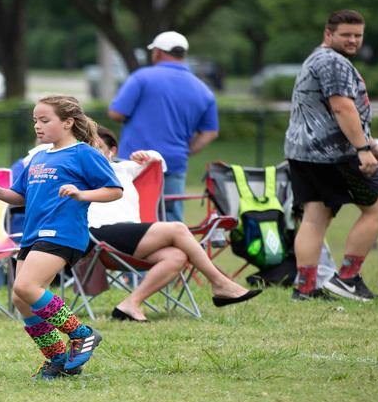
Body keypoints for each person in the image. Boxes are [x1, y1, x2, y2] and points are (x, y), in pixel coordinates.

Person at [0, 95, 122, 380]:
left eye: (45, 120)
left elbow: (114, 190)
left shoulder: (85, 153)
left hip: (63, 231)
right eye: (35, 121)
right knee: (22, 298)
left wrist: (82, 194)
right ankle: (58, 358)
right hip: (33, 234)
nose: (38, 126)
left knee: (27, 286)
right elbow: (21, 196)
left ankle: (82, 335)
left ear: (68, 122)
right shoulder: (38, 157)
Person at [90, 127, 262, 321]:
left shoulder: (123, 169)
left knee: (177, 256)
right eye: (87, 147)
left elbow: (159, 163)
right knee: (178, 228)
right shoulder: (79, 173)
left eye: (98, 147)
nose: (93, 152)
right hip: (98, 236)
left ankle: (130, 304)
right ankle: (219, 282)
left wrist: (147, 154)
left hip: (131, 237)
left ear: (112, 151)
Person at [285, 9, 378, 302]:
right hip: (332, 154)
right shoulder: (334, 62)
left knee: (315, 216)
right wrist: (364, 150)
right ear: (328, 34)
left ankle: (304, 288)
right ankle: (348, 279)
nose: (353, 40)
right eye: (346, 35)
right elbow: (342, 108)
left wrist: (373, 148)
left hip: (302, 153)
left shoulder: (317, 58)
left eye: (358, 35)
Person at [109, 31, 219, 222]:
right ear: (182, 54)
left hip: (133, 163)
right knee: (170, 220)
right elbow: (210, 132)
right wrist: (185, 150)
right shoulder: (203, 88)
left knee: (130, 217)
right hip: (174, 164)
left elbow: (116, 113)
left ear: (158, 53)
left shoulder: (142, 77)